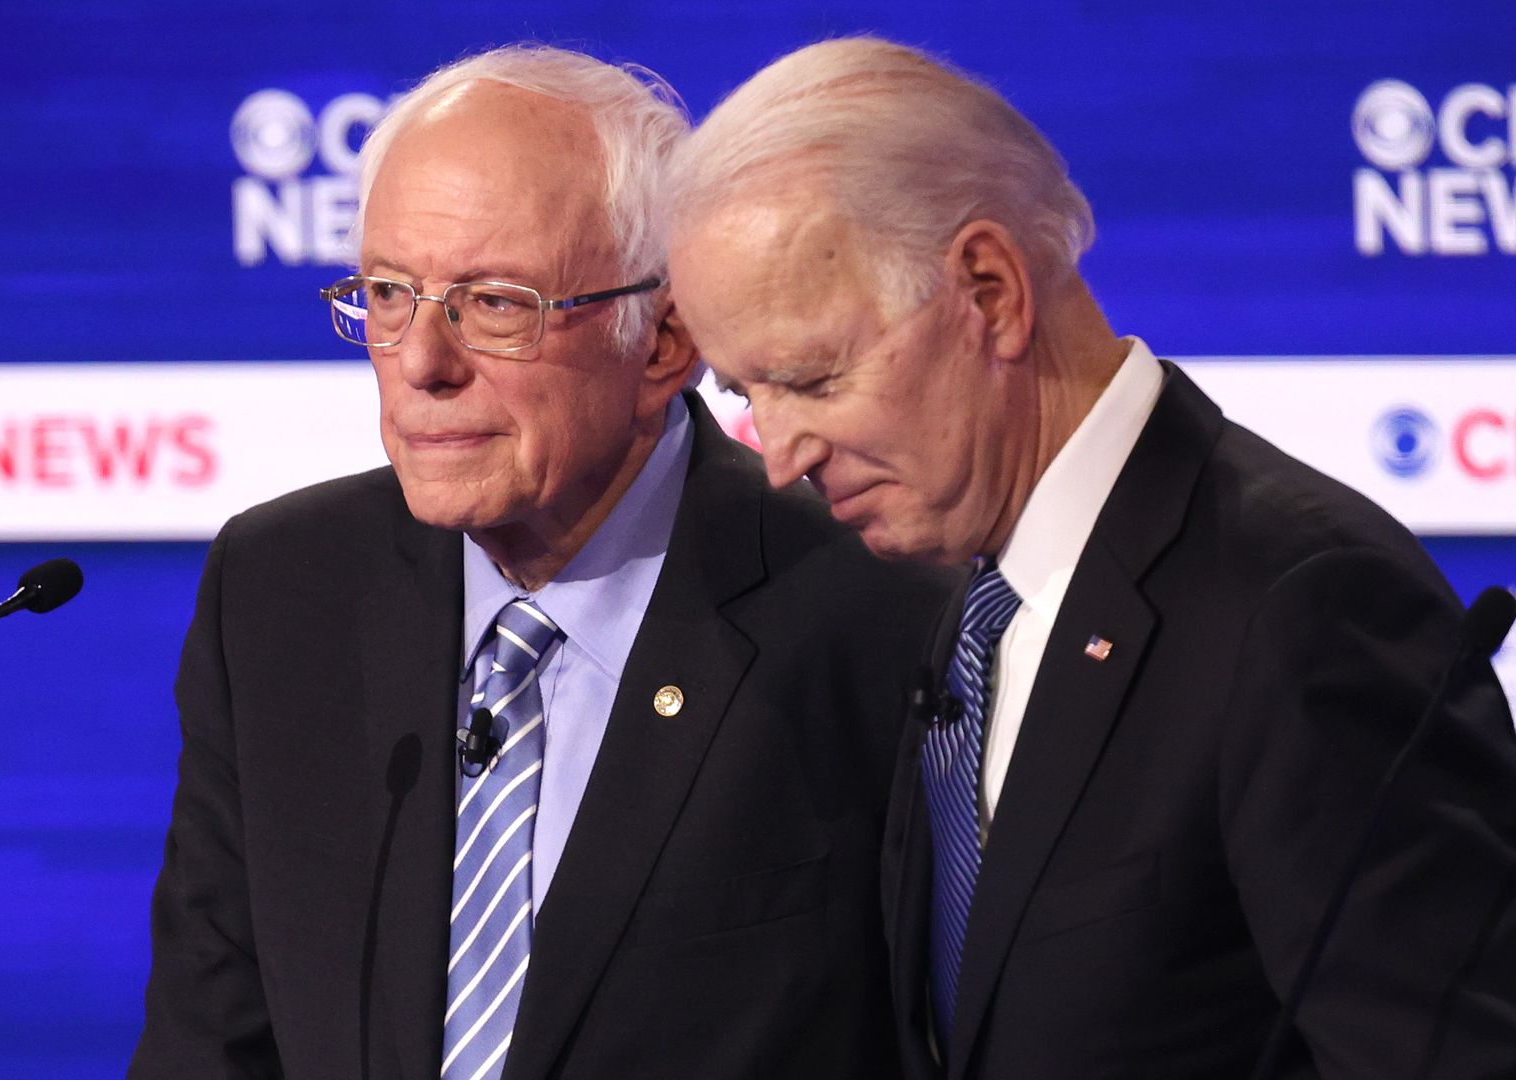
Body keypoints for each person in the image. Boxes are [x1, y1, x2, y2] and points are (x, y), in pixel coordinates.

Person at [665, 36, 1516, 1079]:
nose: (780, 457)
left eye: (814, 379)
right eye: (747, 396)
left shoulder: (1301, 607)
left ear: (990, 289)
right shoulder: (955, 605)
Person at [130, 45, 947, 1080]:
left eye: (497, 304)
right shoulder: (284, 589)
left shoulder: (877, 613)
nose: (422, 364)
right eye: (388, 293)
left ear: (660, 338)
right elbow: (211, 1043)